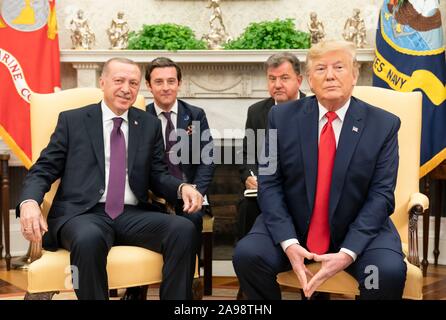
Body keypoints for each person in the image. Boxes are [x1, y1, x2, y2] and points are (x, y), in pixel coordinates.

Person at [17, 57, 203, 300]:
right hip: (83, 214)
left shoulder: (148, 124)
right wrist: (29, 201)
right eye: (119, 81)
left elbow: (158, 175)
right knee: (89, 238)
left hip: (130, 214)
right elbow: (43, 169)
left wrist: (181, 188)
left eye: (133, 83)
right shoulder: (72, 121)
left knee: (183, 228)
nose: (126, 89)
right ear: (102, 82)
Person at [233, 40, 406, 300]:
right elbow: (269, 183)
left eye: (339, 67)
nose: (330, 76)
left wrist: (349, 252)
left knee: (384, 273)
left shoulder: (383, 125)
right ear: (310, 80)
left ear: (355, 74)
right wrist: (289, 243)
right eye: (321, 69)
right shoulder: (279, 118)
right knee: (248, 256)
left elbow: (381, 195)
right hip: (294, 227)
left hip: (359, 231)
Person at [122, 57, 215, 300]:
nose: (166, 87)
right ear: (149, 86)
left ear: (179, 83)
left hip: (189, 194)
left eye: (171, 81)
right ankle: (135, 288)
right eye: (159, 82)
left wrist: (196, 192)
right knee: (136, 216)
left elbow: (207, 159)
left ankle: (187, 282)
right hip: (151, 195)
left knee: (192, 218)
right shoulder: (137, 116)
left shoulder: (195, 115)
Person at [238, 52, 305, 241]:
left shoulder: (314, 108)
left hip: (301, 190)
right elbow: (247, 154)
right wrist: (249, 177)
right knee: (247, 206)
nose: (277, 85)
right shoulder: (256, 111)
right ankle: (247, 263)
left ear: (298, 80)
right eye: (272, 79)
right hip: (265, 189)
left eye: (284, 78)